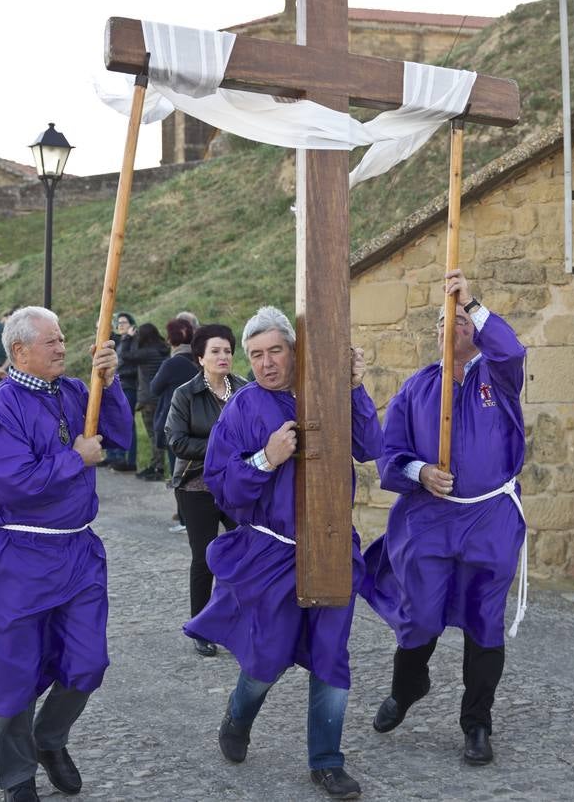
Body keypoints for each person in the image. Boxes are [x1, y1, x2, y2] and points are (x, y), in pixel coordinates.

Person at [183, 306, 384, 799]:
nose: (267, 363)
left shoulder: (329, 391)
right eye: (255, 355)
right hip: (273, 554)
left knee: (331, 656)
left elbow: (370, 445)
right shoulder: (243, 408)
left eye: (275, 350)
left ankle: (326, 761)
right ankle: (237, 717)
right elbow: (222, 485)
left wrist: (354, 389)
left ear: (294, 350)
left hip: (334, 546)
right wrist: (264, 459)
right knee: (266, 658)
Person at [362, 268, 527, 767]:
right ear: (433, 333)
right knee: (422, 615)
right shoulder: (416, 389)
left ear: (474, 329)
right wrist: (420, 472)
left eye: (461, 320)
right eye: (443, 320)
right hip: (429, 521)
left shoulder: (498, 376)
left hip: (490, 521)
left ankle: (477, 723)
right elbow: (389, 455)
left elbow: (512, 351)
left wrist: (472, 303)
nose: (451, 327)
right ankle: (408, 687)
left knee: (484, 622)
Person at [0, 305, 133, 802]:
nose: (62, 346)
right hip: (19, 555)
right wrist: (76, 459)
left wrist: (107, 384)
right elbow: (18, 485)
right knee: (15, 672)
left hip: (78, 551)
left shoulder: (72, 391)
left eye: (63, 337)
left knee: (88, 661)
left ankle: (50, 739)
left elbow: (119, 437)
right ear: (20, 350)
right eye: (51, 341)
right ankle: (17, 776)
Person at [165, 324, 246, 652]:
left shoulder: (243, 389)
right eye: (215, 351)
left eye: (227, 350)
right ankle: (201, 628)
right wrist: (221, 446)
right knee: (204, 557)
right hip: (195, 485)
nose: (223, 356)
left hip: (236, 484)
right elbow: (176, 441)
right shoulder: (185, 394)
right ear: (200, 357)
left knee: (247, 551)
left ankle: (242, 620)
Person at [150, 318, 198, 531]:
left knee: (178, 472)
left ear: (171, 340)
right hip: (198, 423)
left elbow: (154, 388)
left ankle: (184, 519)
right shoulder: (200, 360)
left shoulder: (171, 364)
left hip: (175, 424)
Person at [118, 322, 169, 481]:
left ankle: (157, 468)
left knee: (153, 435)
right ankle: (156, 465)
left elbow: (126, 356)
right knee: (157, 434)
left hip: (149, 398)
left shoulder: (147, 352)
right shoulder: (162, 350)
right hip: (161, 397)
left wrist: (128, 338)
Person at [108, 312, 139, 472]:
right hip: (119, 385)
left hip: (129, 386)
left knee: (128, 423)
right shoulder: (121, 341)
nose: (120, 325)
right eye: (118, 323)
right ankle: (118, 458)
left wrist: (119, 374)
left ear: (131, 325)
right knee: (118, 421)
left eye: (124, 322)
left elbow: (127, 362)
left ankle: (130, 461)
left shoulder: (133, 341)